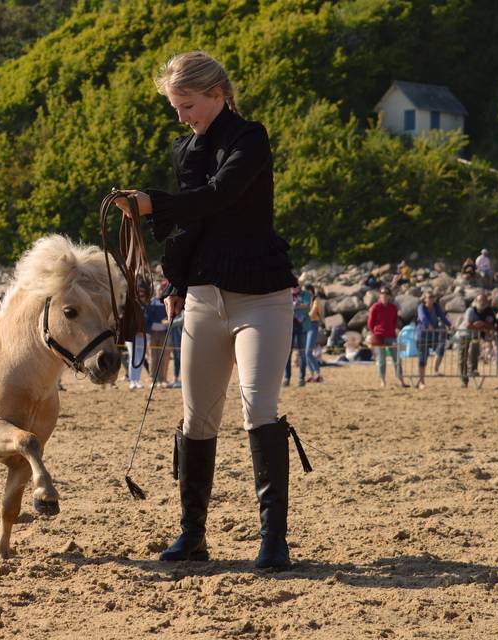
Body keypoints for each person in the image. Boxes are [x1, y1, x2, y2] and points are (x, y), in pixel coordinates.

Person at [113, 51, 302, 570]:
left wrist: (153, 202)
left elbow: (219, 196)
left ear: (216, 94)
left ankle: (273, 540)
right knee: (196, 416)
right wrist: (175, 279)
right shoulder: (186, 148)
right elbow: (190, 225)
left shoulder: (250, 138)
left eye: (187, 105)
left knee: (258, 408)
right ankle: (192, 534)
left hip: (261, 297)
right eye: (176, 107)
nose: (182, 117)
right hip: (201, 297)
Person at [367, 287, 408, 388]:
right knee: (381, 360)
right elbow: (370, 323)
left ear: (389, 296)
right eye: (382, 294)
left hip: (391, 336)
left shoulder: (393, 307)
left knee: (397, 358)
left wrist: (393, 330)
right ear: (380, 296)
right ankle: (383, 381)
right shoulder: (375, 307)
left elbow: (395, 321)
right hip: (379, 336)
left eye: (386, 295)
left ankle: (401, 380)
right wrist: (375, 333)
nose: (384, 296)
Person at [457, 294, 496, 388]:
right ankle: (464, 378)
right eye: (479, 300)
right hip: (465, 334)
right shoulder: (470, 310)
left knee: (475, 352)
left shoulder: (488, 311)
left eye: (483, 301)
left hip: (475, 335)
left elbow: (491, 325)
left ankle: (473, 370)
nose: (481, 303)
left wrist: (482, 324)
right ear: (476, 301)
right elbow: (468, 325)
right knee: (463, 356)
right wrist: (482, 328)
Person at [414, 290, 450, 388]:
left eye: (433, 297)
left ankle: (435, 369)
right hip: (422, 335)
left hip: (433, 335)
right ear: (424, 299)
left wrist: (450, 325)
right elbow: (422, 317)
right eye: (429, 297)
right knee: (423, 358)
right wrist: (429, 325)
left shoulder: (436, 307)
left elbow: (442, 316)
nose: (431, 299)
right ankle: (421, 382)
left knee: (441, 346)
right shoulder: (421, 307)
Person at [124, 285, 151, 390]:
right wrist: (135, 331)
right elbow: (127, 322)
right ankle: (132, 381)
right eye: (139, 293)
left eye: (143, 294)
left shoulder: (146, 306)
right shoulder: (131, 307)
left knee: (140, 358)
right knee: (133, 358)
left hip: (143, 336)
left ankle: (137, 380)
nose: (141, 295)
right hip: (132, 337)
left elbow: (148, 321)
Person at [284, 286, 311, 386]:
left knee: (302, 353)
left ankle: (301, 378)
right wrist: (297, 305)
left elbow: (307, 306)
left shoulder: (306, 294)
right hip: (289, 326)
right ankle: (287, 378)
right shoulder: (287, 295)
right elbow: (284, 307)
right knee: (287, 354)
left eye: (296, 286)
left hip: (302, 327)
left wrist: (294, 305)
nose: (294, 288)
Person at [146, 282, 171, 387]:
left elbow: (169, 316)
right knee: (153, 357)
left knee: (163, 357)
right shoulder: (151, 302)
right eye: (159, 289)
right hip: (152, 334)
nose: (160, 291)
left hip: (163, 333)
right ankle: (153, 379)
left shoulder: (166, 301)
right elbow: (147, 318)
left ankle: (162, 379)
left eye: (162, 289)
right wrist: (148, 330)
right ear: (155, 290)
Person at [305, 285, 323, 383]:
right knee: (306, 352)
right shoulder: (306, 301)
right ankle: (312, 374)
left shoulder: (316, 300)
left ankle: (318, 374)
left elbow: (313, 312)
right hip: (306, 326)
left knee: (308, 352)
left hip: (313, 325)